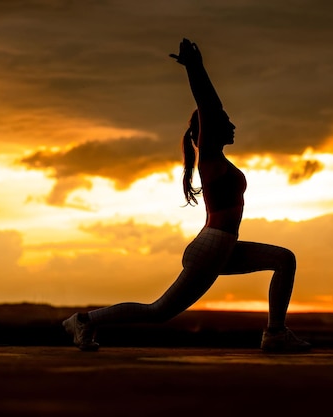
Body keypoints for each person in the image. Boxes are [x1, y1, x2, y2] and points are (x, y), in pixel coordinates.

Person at [63, 38, 310, 353]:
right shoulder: (209, 157)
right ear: (210, 129)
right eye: (225, 122)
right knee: (158, 312)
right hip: (212, 246)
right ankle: (85, 320)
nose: (233, 126)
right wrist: (196, 67)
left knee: (284, 259)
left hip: (222, 245)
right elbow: (208, 105)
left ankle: (275, 333)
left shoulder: (217, 160)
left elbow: (212, 111)